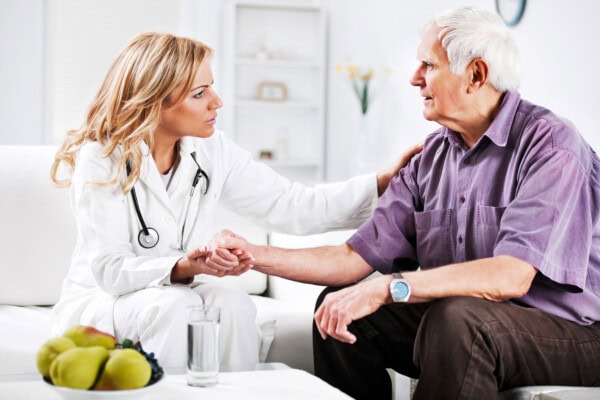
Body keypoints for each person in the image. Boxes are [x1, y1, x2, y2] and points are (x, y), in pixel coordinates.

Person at [213, 6, 600, 399]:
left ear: (476, 75)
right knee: (337, 308)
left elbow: (510, 276)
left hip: (573, 333)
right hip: (466, 321)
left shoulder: (550, 146)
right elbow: (350, 259)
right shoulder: (429, 159)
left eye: (427, 65)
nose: (415, 79)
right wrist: (251, 255)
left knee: (457, 319)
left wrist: (388, 288)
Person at [49, 32, 421, 370]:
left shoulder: (211, 151)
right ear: (155, 102)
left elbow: (293, 205)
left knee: (234, 304)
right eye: (199, 93)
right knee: (176, 307)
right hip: (103, 301)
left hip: (173, 295)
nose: (217, 101)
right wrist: (184, 265)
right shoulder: (101, 156)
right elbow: (110, 270)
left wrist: (380, 183)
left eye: (211, 87)